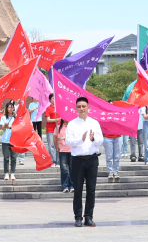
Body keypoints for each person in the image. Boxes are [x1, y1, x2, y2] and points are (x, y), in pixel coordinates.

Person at [66, 97, 103, 227]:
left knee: (91, 190)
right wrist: (80, 140)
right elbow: (68, 141)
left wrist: (93, 139)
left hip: (92, 159)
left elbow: (101, 140)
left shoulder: (94, 123)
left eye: (84, 106)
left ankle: (88, 217)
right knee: (77, 190)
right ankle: (78, 217)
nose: (81, 109)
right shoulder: (71, 124)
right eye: (79, 106)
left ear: (88, 107)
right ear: (76, 108)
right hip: (77, 160)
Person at [53, 116, 73, 192]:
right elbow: (54, 138)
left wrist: (63, 138)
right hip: (62, 150)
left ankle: (72, 185)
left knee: (72, 168)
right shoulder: (58, 127)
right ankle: (65, 186)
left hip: (72, 150)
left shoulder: (72, 127)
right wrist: (57, 146)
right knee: (64, 169)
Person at [0, 101, 17, 180]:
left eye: (12, 107)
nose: (10, 109)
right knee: (6, 158)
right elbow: (2, 128)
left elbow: (17, 128)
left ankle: (12, 173)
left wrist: (9, 127)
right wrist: (5, 125)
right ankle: (6, 173)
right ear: (6, 108)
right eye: (9, 107)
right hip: (6, 140)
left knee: (13, 157)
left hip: (14, 140)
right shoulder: (3, 118)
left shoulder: (16, 118)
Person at [43, 94, 60, 167]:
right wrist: (57, 119)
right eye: (53, 98)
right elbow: (48, 120)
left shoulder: (59, 107)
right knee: (51, 145)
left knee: (58, 145)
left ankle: (58, 161)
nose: (54, 99)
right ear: (50, 100)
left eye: (55, 98)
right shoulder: (49, 108)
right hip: (50, 129)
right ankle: (52, 161)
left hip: (59, 129)